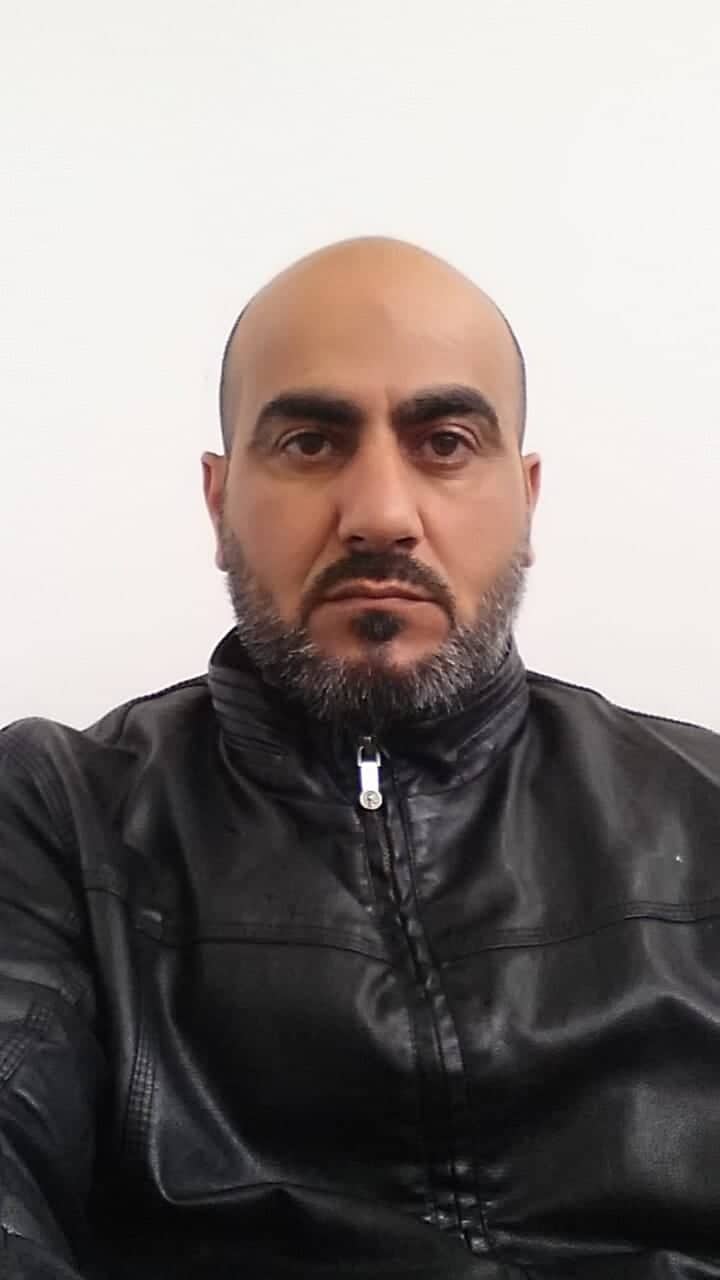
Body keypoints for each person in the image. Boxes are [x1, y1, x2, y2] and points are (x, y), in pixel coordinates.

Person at [1, 237, 719, 1280]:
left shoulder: (704, 808)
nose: (381, 514)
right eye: (308, 442)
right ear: (218, 502)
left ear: (526, 498)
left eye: (445, 442)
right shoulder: (56, 818)